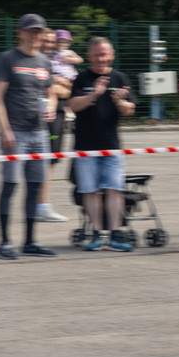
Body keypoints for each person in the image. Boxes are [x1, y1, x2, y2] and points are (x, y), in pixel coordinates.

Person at [0, 14, 59, 259]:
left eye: (38, 31)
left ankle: (30, 241)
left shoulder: (44, 61)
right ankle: (5, 242)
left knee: (34, 187)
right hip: (15, 132)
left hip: (39, 132)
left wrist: (51, 105)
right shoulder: (8, 59)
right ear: (20, 32)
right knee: (10, 185)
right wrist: (5, 129)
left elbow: (51, 93)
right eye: (30, 31)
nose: (35, 35)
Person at [67, 37, 136, 252]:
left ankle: (115, 233)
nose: (101, 59)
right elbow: (72, 106)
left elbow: (130, 109)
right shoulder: (81, 78)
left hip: (112, 145)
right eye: (97, 55)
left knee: (115, 189)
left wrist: (120, 102)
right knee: (89, 190)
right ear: (89, 57)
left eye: (104, 54)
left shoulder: (120, 77)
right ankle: (96, 233)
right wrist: (94, 94)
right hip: (85, 146)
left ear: (112, 55)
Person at [35, 28, 79, 223]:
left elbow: (71, 90)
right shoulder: (36, 61)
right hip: (41, 116)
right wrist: (61, 86)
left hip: (58, 115)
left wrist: (63, 86)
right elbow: (50, 88)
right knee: (43, 161)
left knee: (51, 161)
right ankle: (40, 205)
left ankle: (41, 204)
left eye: (52, 42)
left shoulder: (55, 62)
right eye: (46, 40)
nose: (49, 45)